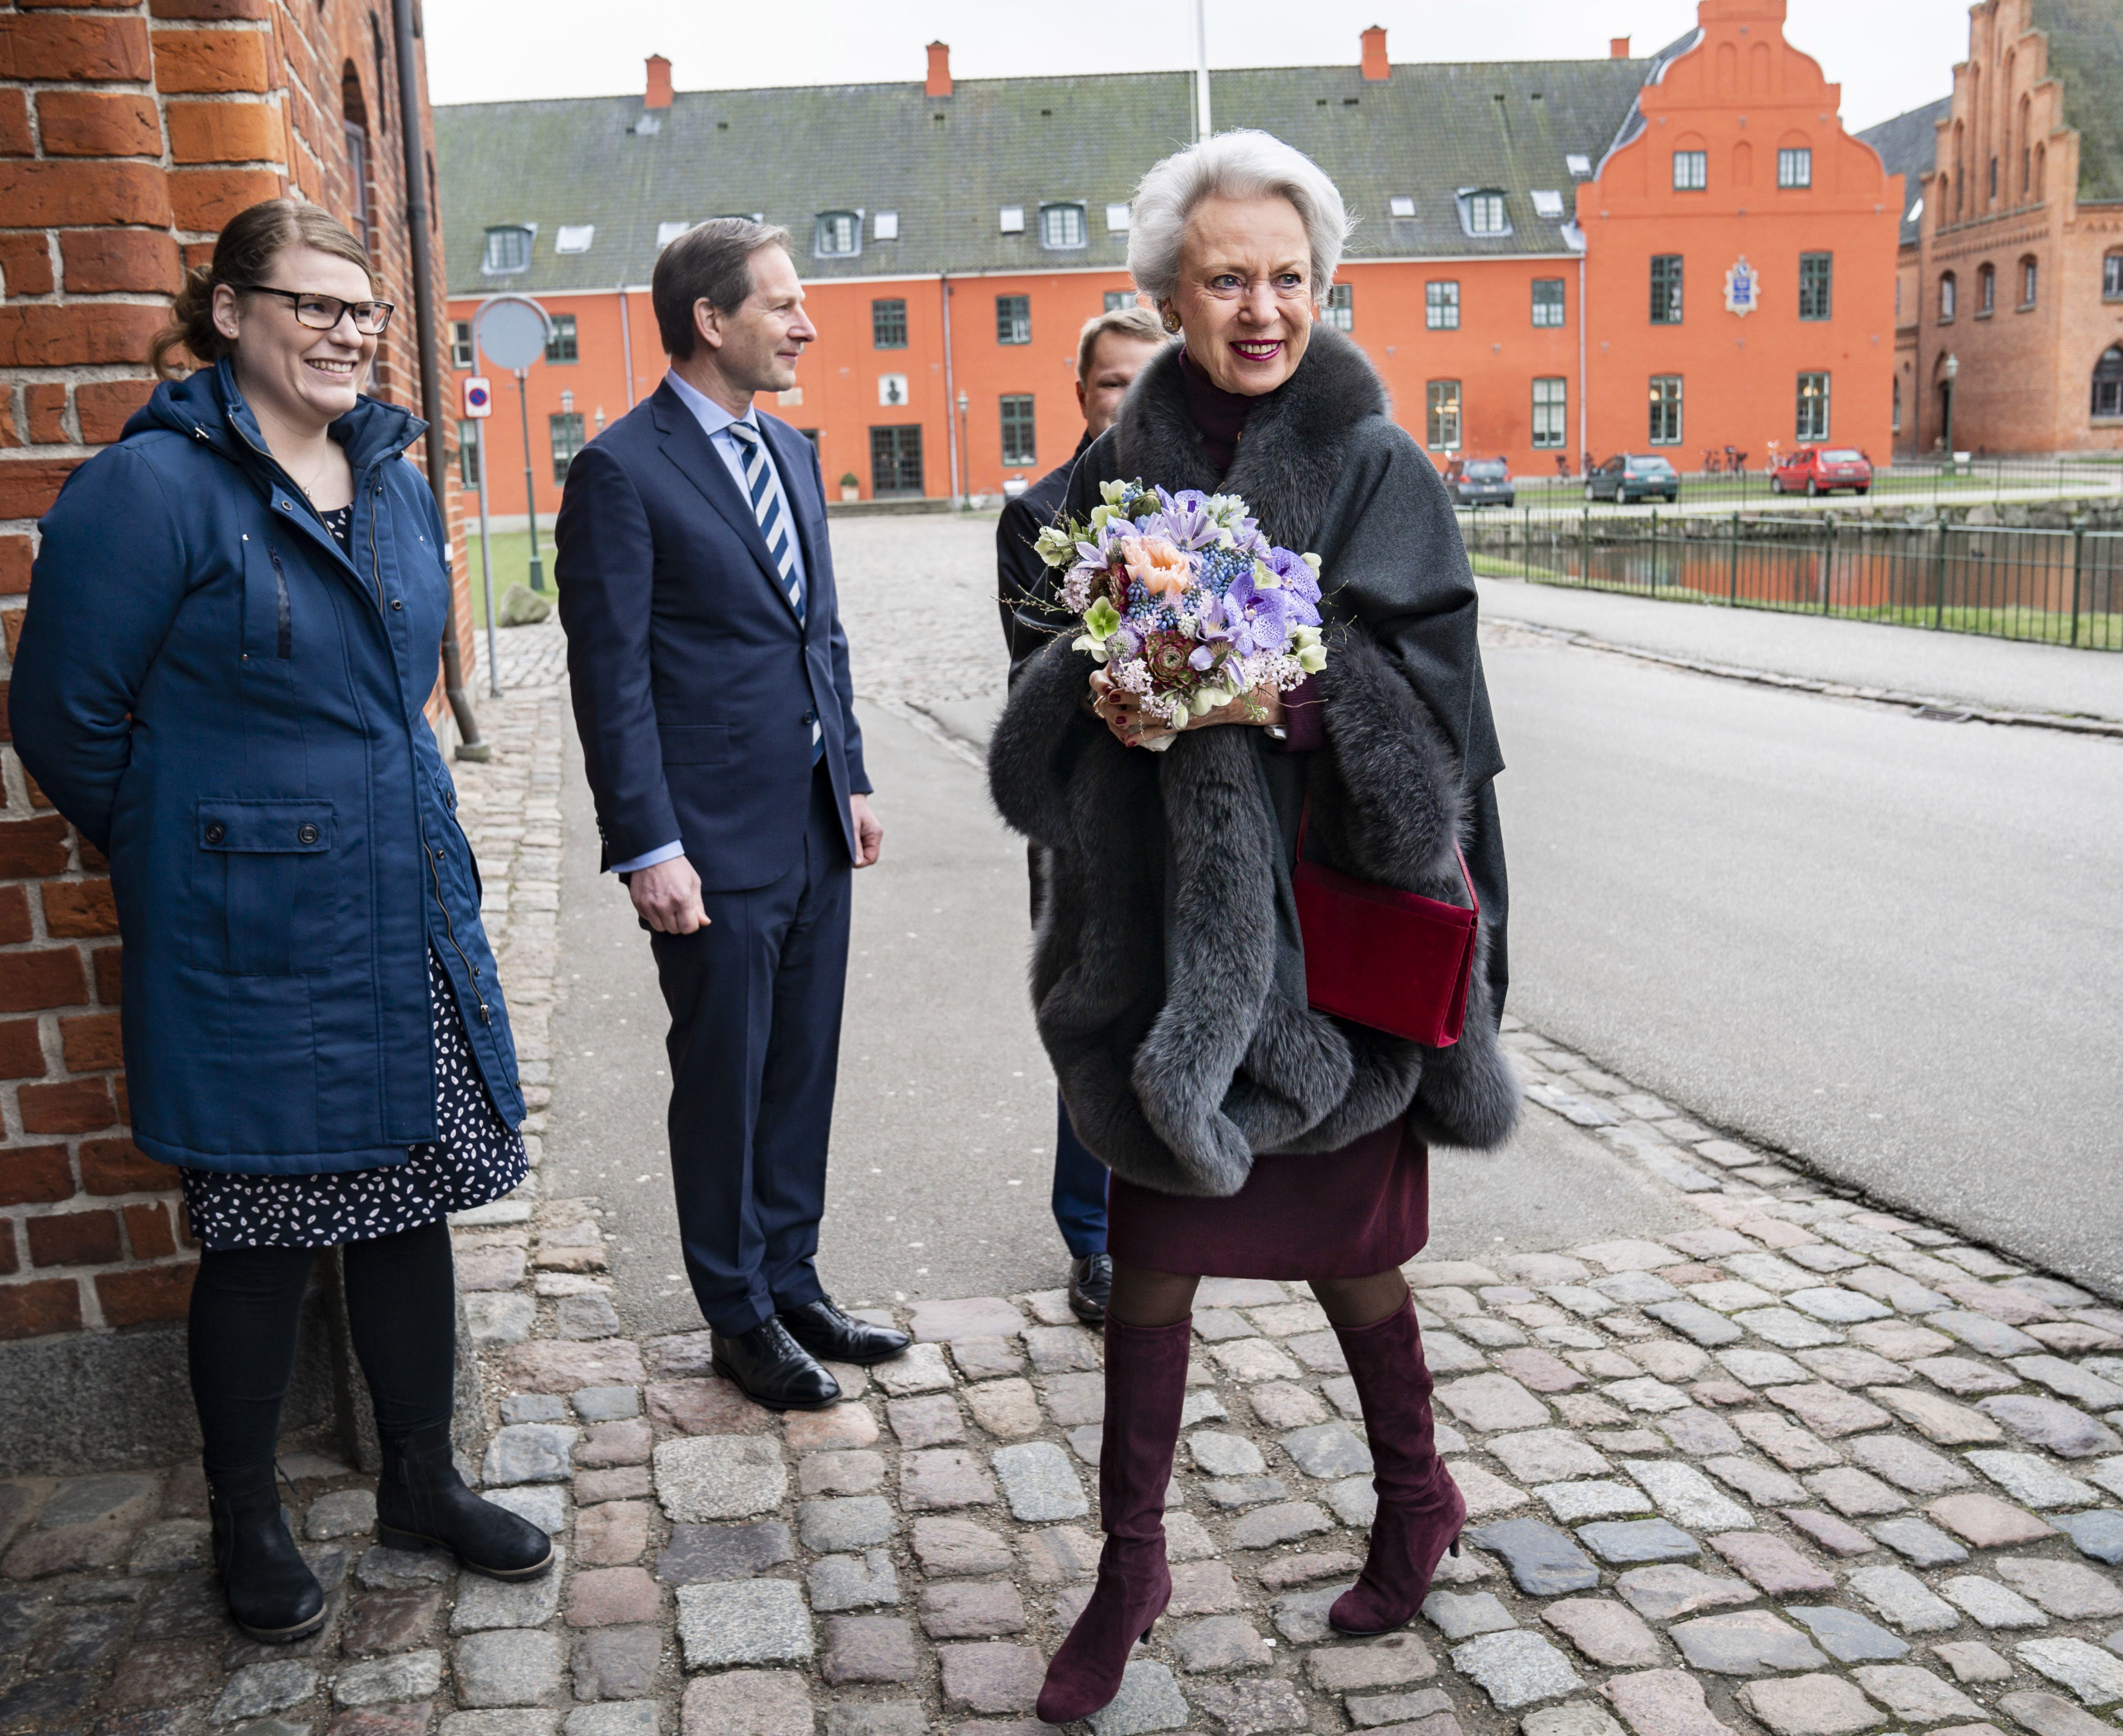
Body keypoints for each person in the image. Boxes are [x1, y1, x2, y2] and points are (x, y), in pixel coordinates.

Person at [988, 132, 1523, 1722]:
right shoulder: (1099, 479)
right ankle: (1129, 1561)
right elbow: (1037, 671)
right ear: (1168, 292)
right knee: (1151, 1255)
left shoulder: (1379, 465)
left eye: (1287, 277)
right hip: (1169, 951)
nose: (1262, 307)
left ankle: (1417, 1494)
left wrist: (1295, 697)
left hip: (1335, 930)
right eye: (1227, 278)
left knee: (1355, 1259)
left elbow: (1443, 701)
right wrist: (1100, 696)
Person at [9, 199, 551, 1643]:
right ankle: (241, 1516)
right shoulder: (153, 490)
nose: (345, 333)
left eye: (362, 313)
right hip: (258, 932)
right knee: (258, 1227)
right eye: (310, 306)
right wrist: (206, 849)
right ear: (229, 314)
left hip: (402, 899)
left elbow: (396, 688)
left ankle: (421, 1481)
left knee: (410, 1201)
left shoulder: (391, 481)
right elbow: (66, 721)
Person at [557, 219, 909, 1411]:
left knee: (800, 1066)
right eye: (785, 305)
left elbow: (823, 636)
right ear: (711, 321)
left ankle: (792, 1276)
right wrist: (648, 844)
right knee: (725, 1076)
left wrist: (849, 779)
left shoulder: (795, 454)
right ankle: (736, 1312)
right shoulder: (620, 470)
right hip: (706, 843)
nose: (808, 326)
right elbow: (608, 678)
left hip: (810, 822)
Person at [995, 305, 1169, 1324]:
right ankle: (1093, 1237)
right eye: (1113, 383)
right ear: (1083, 393)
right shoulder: (1039, 513)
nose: (1130, 400)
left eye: (1149, 379)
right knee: (1093, 1013)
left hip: (1193, 813)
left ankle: (1177, 1207)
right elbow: (1037, 675)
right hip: (1085, 813)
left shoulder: (1203, 501)